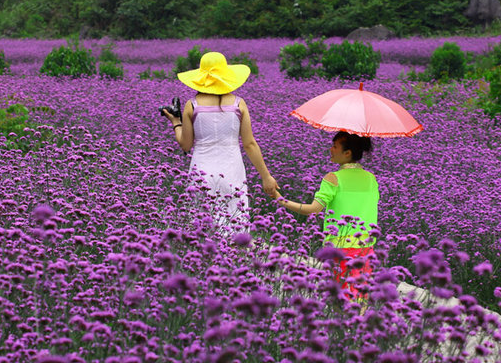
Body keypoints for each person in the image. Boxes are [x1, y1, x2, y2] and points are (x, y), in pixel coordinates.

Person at [160, 51, 277, 233]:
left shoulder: (192, 105)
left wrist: (176, 122)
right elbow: (249, 144)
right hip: (232, 171)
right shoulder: (239, 104)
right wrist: (266, 176)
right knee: (235, 226)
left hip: (201, 172)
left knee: (201, 228)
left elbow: (186, 145)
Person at [271, 131, 379, 293]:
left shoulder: (333, 178)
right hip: (366, 247)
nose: (331, 149)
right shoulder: (371, 178)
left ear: (347, 153)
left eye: (335, 146)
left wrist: (281, 200)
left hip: (340, 248)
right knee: (358, 297)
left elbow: (314, 209)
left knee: (339, 298)